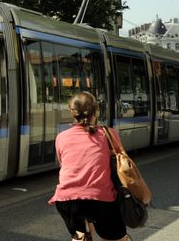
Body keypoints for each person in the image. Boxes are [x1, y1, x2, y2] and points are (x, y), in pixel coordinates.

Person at [49, 91, 131, 241]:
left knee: (80, 236)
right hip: (101, 199)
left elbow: (66, 165)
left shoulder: (61, 137)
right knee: (116, 238)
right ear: (96, 111)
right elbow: (122, 163)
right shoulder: (109, 134)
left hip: (67, 200)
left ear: (72, 112)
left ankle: (81, 237)